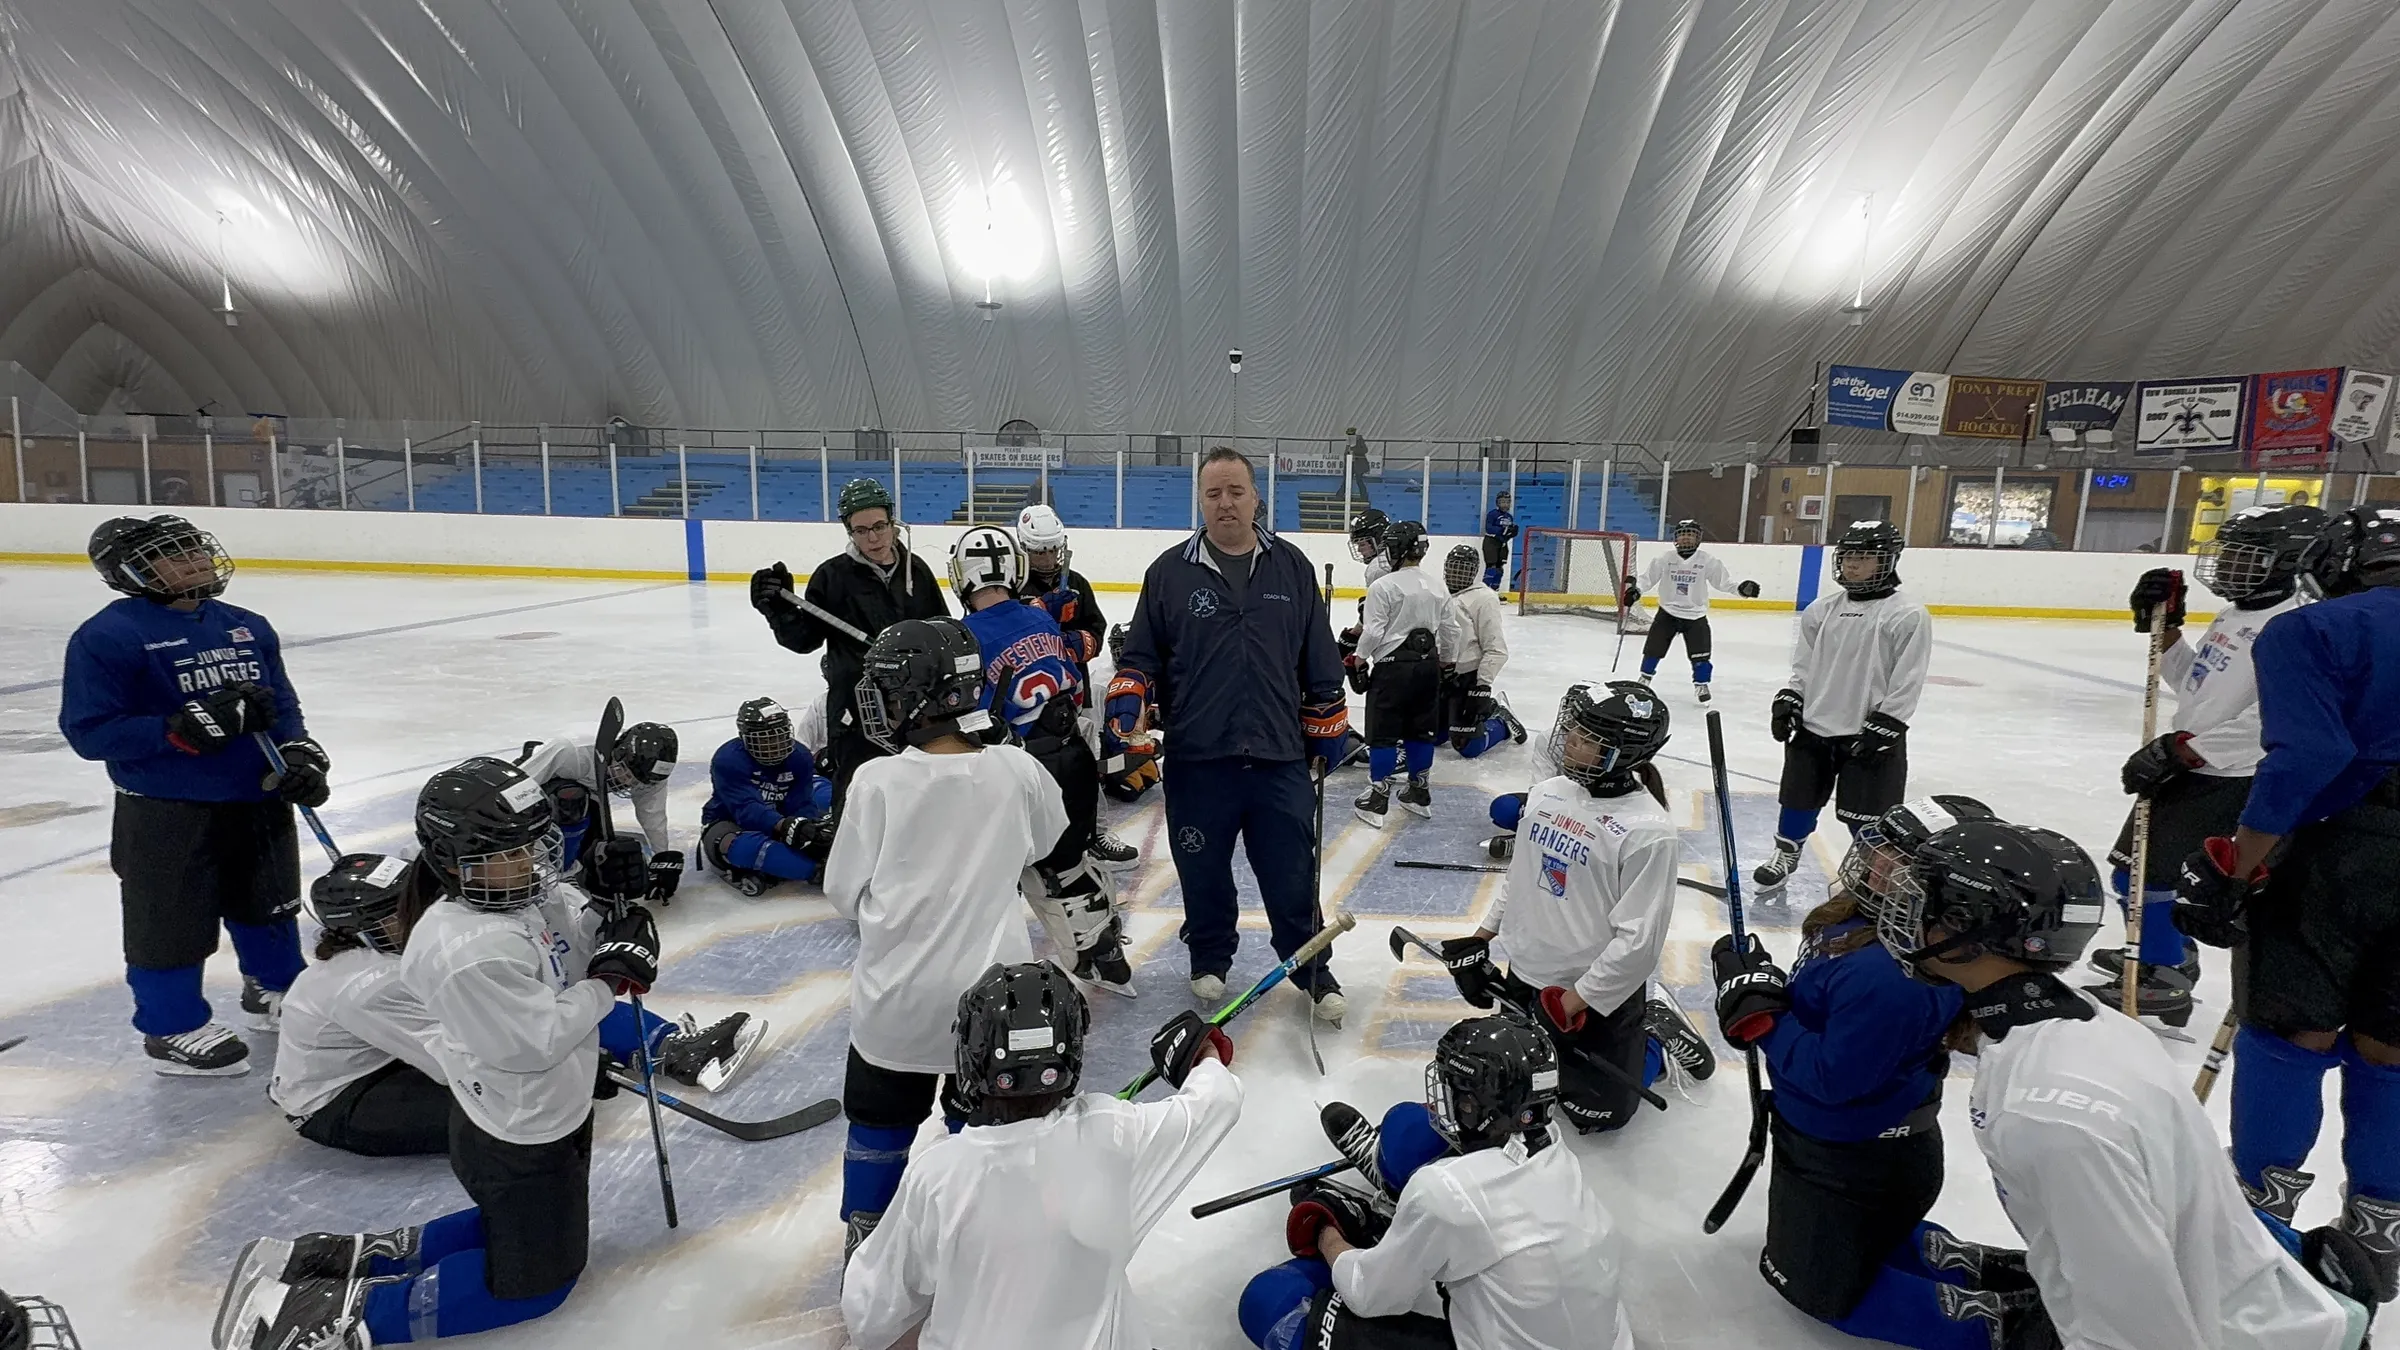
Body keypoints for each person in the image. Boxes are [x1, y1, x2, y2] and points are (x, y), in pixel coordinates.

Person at [213, 757, 679, 1348]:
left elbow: (568, 939)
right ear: (454, 862)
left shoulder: (520, 898)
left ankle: (343, 1256)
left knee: (511, 1229)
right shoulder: (468, 947)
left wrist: (607, 896)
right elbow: (536, 1042)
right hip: (517, 1129)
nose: (534, 861)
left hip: (539, 1114)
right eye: (510, 853)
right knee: (535, 1284)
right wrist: (609, 980)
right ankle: (327, 1314)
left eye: (536, 843)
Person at [1880, 818, 2377, 1350]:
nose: (1903, 910)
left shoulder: (2047, 1119)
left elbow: (2142, 1338)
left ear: (1967, 928)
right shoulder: (2089, 1023)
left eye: (1924, 899)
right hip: (2237, 1303)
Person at [1710, 797, 2071, 1350]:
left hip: (1855, 1159)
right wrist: (1766, 984)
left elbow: (1833, 1076)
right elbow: (1829, 1015)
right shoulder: (1869, 925)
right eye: (1876, 849)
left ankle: (2022, 1330)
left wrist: (1763, 1021)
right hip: (1848, 1150)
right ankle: (1944, 1259)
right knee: (1859, 1245)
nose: (1873, 864)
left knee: (1811, 1285)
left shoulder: (1893, 975)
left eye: (1897, 864)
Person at [2179, 505, 2400, 1302]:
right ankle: (2381, 1223)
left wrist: (2238, 868)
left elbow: (2313, 754)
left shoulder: (2313, 629)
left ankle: (2261, 1207)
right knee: (2390, 1039)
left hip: (2339, 853)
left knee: (2290, 1029)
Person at [826, 618, 1070, 1259]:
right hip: (993, 1010)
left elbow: (841, 891)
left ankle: (867, 1235)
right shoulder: (1017, 770)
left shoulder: (875, 782)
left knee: (880, 1127)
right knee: (982, 1141)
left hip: (894, 1007)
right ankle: (977, 1247)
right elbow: (1045, 843)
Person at [842, 963, 1244, 1349]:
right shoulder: (1115, 1133)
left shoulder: (939, 1174)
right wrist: (1201, 1052)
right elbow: (1218, 1100)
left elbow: (869, 1317)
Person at [272, 851, 761, 1160]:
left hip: (388, 1055)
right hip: (342, 1100)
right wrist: (563, 1061)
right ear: (354, 930)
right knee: (507, 1114)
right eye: (392, 915)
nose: (411, 915)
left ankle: (665, 1046)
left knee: (539, 1013)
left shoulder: (406, 952)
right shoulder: (369, 983)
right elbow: (453, 1061)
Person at [60, 515, 326, 1076]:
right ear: (131, 572)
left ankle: (273, 988)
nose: (194, 560)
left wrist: (300, 754)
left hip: (257, 797)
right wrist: (178, 729)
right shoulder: (109, 636)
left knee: (270, 902)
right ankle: (171, 1026)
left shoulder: (247, 626)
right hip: (166, 808)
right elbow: (89, 731)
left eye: (194, 547)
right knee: (170, 920)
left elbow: (281, 704)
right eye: (172, 554)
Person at [1113, 447, 1352, 1019]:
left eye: (1235, 491)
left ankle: (1311, 965)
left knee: (1293, 869)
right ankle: (1210, 957)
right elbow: (1141, 656)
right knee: (1203, 869)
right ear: (1200, 500)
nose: (1225, 503)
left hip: (1279, 756)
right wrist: (1129, 696)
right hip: (1200, 757)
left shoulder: (1291, 566)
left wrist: (1328, 726)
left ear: (1255, 497)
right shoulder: (1169, 572)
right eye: (1214, 493)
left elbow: (1318, 655)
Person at [1237, 1012, 1635, 1350]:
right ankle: (1406, 1230)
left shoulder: (1444, 1194)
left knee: (1270, 1303)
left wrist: (1328, 1234)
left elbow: (1369, 1295)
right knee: (1413, 1129)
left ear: (1470, 1103)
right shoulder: (1553, 1144)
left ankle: (1398, 1233)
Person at [2092, 504, 2322, 1026]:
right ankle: (2167, 951)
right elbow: (2195, 683)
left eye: (2247, 557)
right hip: (2196, 765)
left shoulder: (2289, 626)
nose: (2230, 566)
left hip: (2226, 777)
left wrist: (2185, 750)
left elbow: (2270, 724)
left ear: (2287, 561)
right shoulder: (2236, 614)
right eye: (2229, 554)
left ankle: (2165, 972)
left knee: (2147, 876)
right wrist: (2167, 629)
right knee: (2136, 871)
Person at [1443, 682, 1696, 1132]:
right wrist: (1480, 938)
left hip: (1593, 995)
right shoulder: (1547, 794)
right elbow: (1520, 877)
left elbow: (1639, 942)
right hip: (1527, 978)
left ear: (1624, 753)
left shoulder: (1647, 832)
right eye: (1572, 731)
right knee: (1531, 1088)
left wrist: (1575, 1000)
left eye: (1585, 740)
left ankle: (1655, 1037)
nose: (1568, 744)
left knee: (1600, 1114)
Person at [950, 527, 1134, 997]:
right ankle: (1106, 950)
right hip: (1074, 755)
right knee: (1070, 862)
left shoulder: (963, 639)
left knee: (1015, 874)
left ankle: (1010, 974)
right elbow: (1073, 685)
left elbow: (965, 722)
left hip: (1022, 769)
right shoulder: (1040, 620)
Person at [1755, 520, 1932, 894]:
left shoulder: (1907, 614)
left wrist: (1888, 722)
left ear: (1888, 560)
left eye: (1865, 557)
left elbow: (1908, 677)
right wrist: (1791, 698)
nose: (1852, 565)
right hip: (1814, 727)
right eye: (1849, 555)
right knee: (1797, 800)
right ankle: (1786, 854)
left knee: (1867, 815)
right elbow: (1804, 666)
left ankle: (1870, 873)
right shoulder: (1822, 610)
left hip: (1868, 732)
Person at [748, 477, 949, 798]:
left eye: (880, 526)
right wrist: (779, 611)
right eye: (861, 530)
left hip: (914, 714)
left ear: (893, 521)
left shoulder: (918, 571)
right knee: (855, 803)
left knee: (916, 803)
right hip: (855, 718)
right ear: (849, 531)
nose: (873, 538)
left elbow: (941, 632)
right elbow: (804, 640)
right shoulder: (832, 577)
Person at [1016, 504, 1140, 871]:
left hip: (1075, 696)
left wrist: (1066, 641)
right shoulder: (1010, 587)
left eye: (1052, 548)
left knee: (1086, 767)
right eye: (1039, 550)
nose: (1047, 557)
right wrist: (1041, 619)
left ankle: (1096, 835)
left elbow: (1096, 637)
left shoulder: (1078, 584)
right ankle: (1025, 845)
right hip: (1027, 705)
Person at [1351, 520, 1455, 828]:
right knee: (1421, 730)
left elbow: (1373, 631)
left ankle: (1377, 797)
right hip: (1428, 667)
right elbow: (1452, 630)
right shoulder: (1438, 586)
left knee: (1382, 732)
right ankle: (1418, 792)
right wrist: (1446, 661)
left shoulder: (1384, 586)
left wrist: (1358, 658)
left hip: (1393, 669)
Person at [698, 697, 835, 897]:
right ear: (745, 738)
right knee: (738, 846)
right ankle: (820, 873)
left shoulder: (800, 756)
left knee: (827, 796)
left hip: (782, 817)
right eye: (765, 738)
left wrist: (807, 827)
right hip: (729, 820)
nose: (775, 744)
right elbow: (746, 809)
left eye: (780, 736)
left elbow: (802, 801)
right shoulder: (728, 759)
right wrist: (785, 826)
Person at [1622, 519, 1761, 705]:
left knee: (1701, 655)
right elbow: (1647, 579)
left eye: (1691, 534)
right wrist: (1636, 590)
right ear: (1676, 538)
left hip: (1695, 616)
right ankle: (1644, 679)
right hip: (1667, 613)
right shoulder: (1665, 559)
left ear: (1697, 539)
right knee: (1653, 650)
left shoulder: (1708, 561)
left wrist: (1741, 590)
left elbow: (1724, 583)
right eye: (1683, 534)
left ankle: (1701, 684)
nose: (1686, 538)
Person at [515, 719, 678, 867]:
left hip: (591, 793)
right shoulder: (573, 751)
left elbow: (653, 815)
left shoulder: (649, 773)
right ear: (618, 753)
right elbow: (517, 791)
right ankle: (563, 869)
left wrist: (662, 858)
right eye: (627, 775)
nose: (629, 784)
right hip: (543, 778)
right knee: (571, 798)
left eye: (637, 782)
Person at [1439, 545, 1523, 758]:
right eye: (1452, 567)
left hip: (1468, 678)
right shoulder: (1439, 594)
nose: (1456, 574)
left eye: (1463, 568)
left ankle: (1501, 720)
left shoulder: (1484, 598)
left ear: (1474, 571)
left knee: (1468, 746)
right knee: (1434, 737)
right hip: (1441, 676)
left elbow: (1495, 649)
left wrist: (1482, 686)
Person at [1100, 622, 1161, 804]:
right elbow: (1094, 727)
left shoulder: (1143, 676)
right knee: (1131, 788)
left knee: (1150, 773)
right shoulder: (1101, 683)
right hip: (1109, 749)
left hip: (1130, 744)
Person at [1481, 492, 1517, 591]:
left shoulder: (1509, 517)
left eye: (1507, 502)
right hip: (1491, 542)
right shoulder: (1492, 514)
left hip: (1502, 544)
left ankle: (1494, 592)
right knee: (1491, 567)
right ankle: (1484, 591)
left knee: (1499, 569)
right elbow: (1488, 528)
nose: (1505, 504)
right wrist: (1501, 531)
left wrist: (1511, 533)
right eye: (1502, 502)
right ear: (1497, 503)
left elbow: (1507, 534)